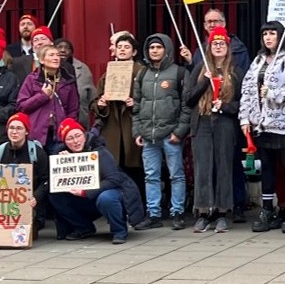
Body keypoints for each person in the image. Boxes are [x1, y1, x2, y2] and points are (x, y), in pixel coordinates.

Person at [240, 22, 285, 233]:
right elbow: (248, 90)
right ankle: (267, 208)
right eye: (265, 34)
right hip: (261, 123)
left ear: (280, 37)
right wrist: (245, 118)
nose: (268, 38)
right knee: (266, 165)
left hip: (284, 122)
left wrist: (272, 93)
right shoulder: (258, 60)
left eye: (272, 34)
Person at [184, 26, 244, 233]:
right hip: (202, 122)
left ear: (228, 47)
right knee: (203, 168)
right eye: (214, 44)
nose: (218, 47)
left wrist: (225, 107)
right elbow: (188, 100)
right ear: (208, 47)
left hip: (225, 124)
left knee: (224, 166)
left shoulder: (236, 72)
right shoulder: (199, 69)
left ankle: (222, 212)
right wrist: (203, 83)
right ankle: (202, 212)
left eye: (222, 44)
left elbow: (243, 104)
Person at [48, 118, 146, 244]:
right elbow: (56, 182)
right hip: (88, 196)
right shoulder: (60, 153)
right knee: (54, 195)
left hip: (115, 192)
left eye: (78, 136)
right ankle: (84, 227)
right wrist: (65, 163)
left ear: (84, 134)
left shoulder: (100, 151)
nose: (76, 141)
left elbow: (114, 179)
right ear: (65, 142)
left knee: (106, 198)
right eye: (70, 139)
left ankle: (119, 231)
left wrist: (86, 192)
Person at [132, 34, 189, 231]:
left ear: (167, 50)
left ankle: (177, 212)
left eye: (158, 47)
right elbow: (137, 105)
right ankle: (154, 213)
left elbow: (186, 105)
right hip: (148, 134)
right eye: (151, 47)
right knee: (151, 176)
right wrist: (137, 131)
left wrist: (180, 131)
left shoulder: (179, 73)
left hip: (171, 133)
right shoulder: (141, 75)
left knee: (176, 175)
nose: (154, 50)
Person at [0, 112, 51, 234]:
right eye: (11, 128)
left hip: (29, 203)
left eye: (19, 128)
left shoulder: (37, 153)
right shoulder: (0, 151)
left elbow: (47, 180)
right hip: (4, 202)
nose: (14, 132)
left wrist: (35, 197)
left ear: (26, 132)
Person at [93, 33, 142, 174]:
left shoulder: (141, 72)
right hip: (113, 126)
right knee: (114, 169)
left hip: (132, 125)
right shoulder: (108, 72)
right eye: (119, 47)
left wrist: (135, 103)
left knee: (136, 171)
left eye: (126, 47)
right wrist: (101, 105)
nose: (122, 50)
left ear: (134, 52)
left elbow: (149, 99)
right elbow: (95, 101)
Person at [16, 45, 80, 149]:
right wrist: (43, 96)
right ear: (41, 60)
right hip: (36, 134)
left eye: (57, 55)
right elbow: (21, 106)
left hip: (60, 134)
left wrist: (68, 130)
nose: (56, 58)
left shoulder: (68, 80)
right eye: (51, 55)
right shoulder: (32, 79)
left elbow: (73, 109)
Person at [181, 9, 251, 72]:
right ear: (205, 26)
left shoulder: (238, 48)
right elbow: (196, 76)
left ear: (223, 24)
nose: (212, 25)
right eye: (209, 21)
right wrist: (190, 61)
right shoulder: (201, 50)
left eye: (215, 21)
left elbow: (245, 74)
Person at [55, 38, 95, 124]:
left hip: (80, 120)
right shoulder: (48, 68)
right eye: (60, 47)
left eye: (67, 48)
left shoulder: (82, 68)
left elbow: (92, 97)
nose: (63, 50)